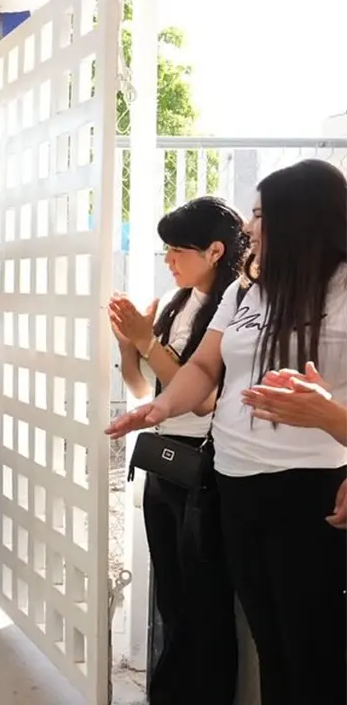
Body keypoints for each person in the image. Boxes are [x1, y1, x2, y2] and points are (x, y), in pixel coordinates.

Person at [108, 160, 347, 704]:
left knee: (313, 645)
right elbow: (203, 368)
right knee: (269, 640)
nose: (250, 228)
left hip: (311, 490)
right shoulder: (247, 291)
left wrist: (327, 415)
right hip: (234, 482)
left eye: (261, 214)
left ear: (303, 219)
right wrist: (156, 408)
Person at [108, 198, 244, 704]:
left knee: (202, 597)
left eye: (176, 249)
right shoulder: (175, 300)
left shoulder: (234, 304)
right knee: (171, 593)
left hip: (203, 460)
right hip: (165, 457)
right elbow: (144, 392)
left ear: (214, 251)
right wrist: (130, 347)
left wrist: (148, 344)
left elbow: (203, 396)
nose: (168, 259)